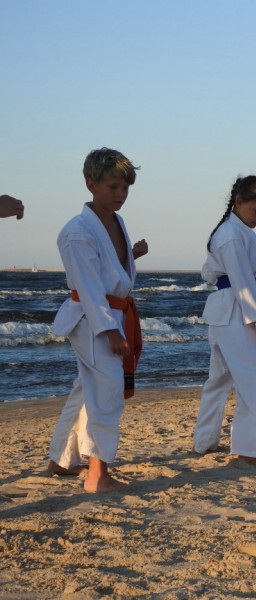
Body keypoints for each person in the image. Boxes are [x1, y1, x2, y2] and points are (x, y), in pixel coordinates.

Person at [46, 148, 148, 493]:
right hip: (94, 319)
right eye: (112, 187)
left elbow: (104, 270)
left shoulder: (115, 222)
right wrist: (109, 330)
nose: (120, 195)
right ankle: (97, 475)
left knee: (86, 391)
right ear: (91, 184)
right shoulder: (77, 231)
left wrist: (130, 257)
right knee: (107, 392)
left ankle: (60, 459)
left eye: (125, 188)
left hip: (112, 313)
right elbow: (89, 287)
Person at [192, 176, 256, 465]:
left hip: (223, 310)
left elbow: (210, 271)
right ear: (239, 202)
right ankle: (247, 450)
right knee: (254, 376)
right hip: (235, 310)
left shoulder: (230, 231)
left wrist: (253, 263)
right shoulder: (232, 234)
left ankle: (204, 443)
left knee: (219, 380)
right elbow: (242, 283)